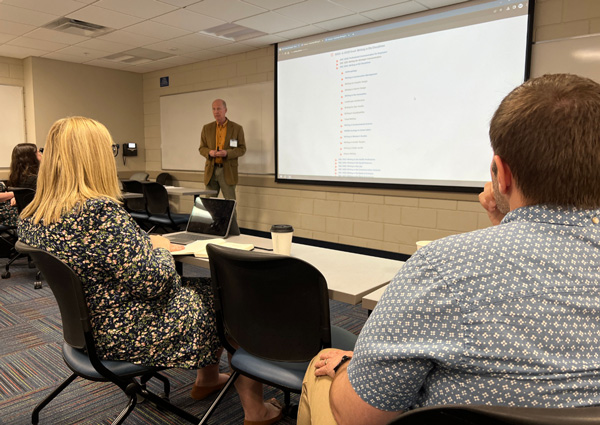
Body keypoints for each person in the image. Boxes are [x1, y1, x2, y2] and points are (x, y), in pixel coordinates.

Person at [297, 73, 600, 425]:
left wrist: (353, 365)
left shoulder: (445, 265)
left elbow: (360, 415)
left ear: (501, 174)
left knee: (322, 372)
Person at [18, 117, 282, 425]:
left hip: (87, 328)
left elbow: (105, 255)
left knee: (208, 288)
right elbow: (155, 283)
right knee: (238, 300)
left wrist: (143, 243)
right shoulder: (99, 212)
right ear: (94, 158)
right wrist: (157, 248)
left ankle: (208, 378)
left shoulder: (33, 215)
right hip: (128, 332)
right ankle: (255, 409)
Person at [199, 99, 246, 200]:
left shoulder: (237, 128)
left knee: (230, 204)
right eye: (214, 109)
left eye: (219, 109)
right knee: (208, 204)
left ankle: (231, 217)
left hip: (227, 171)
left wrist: (227, 153)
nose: (216, 112)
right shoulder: (206, 128)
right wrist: (209, 152)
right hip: (211, 170)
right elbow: (201, 148)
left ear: (225, 110)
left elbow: (242, 149)